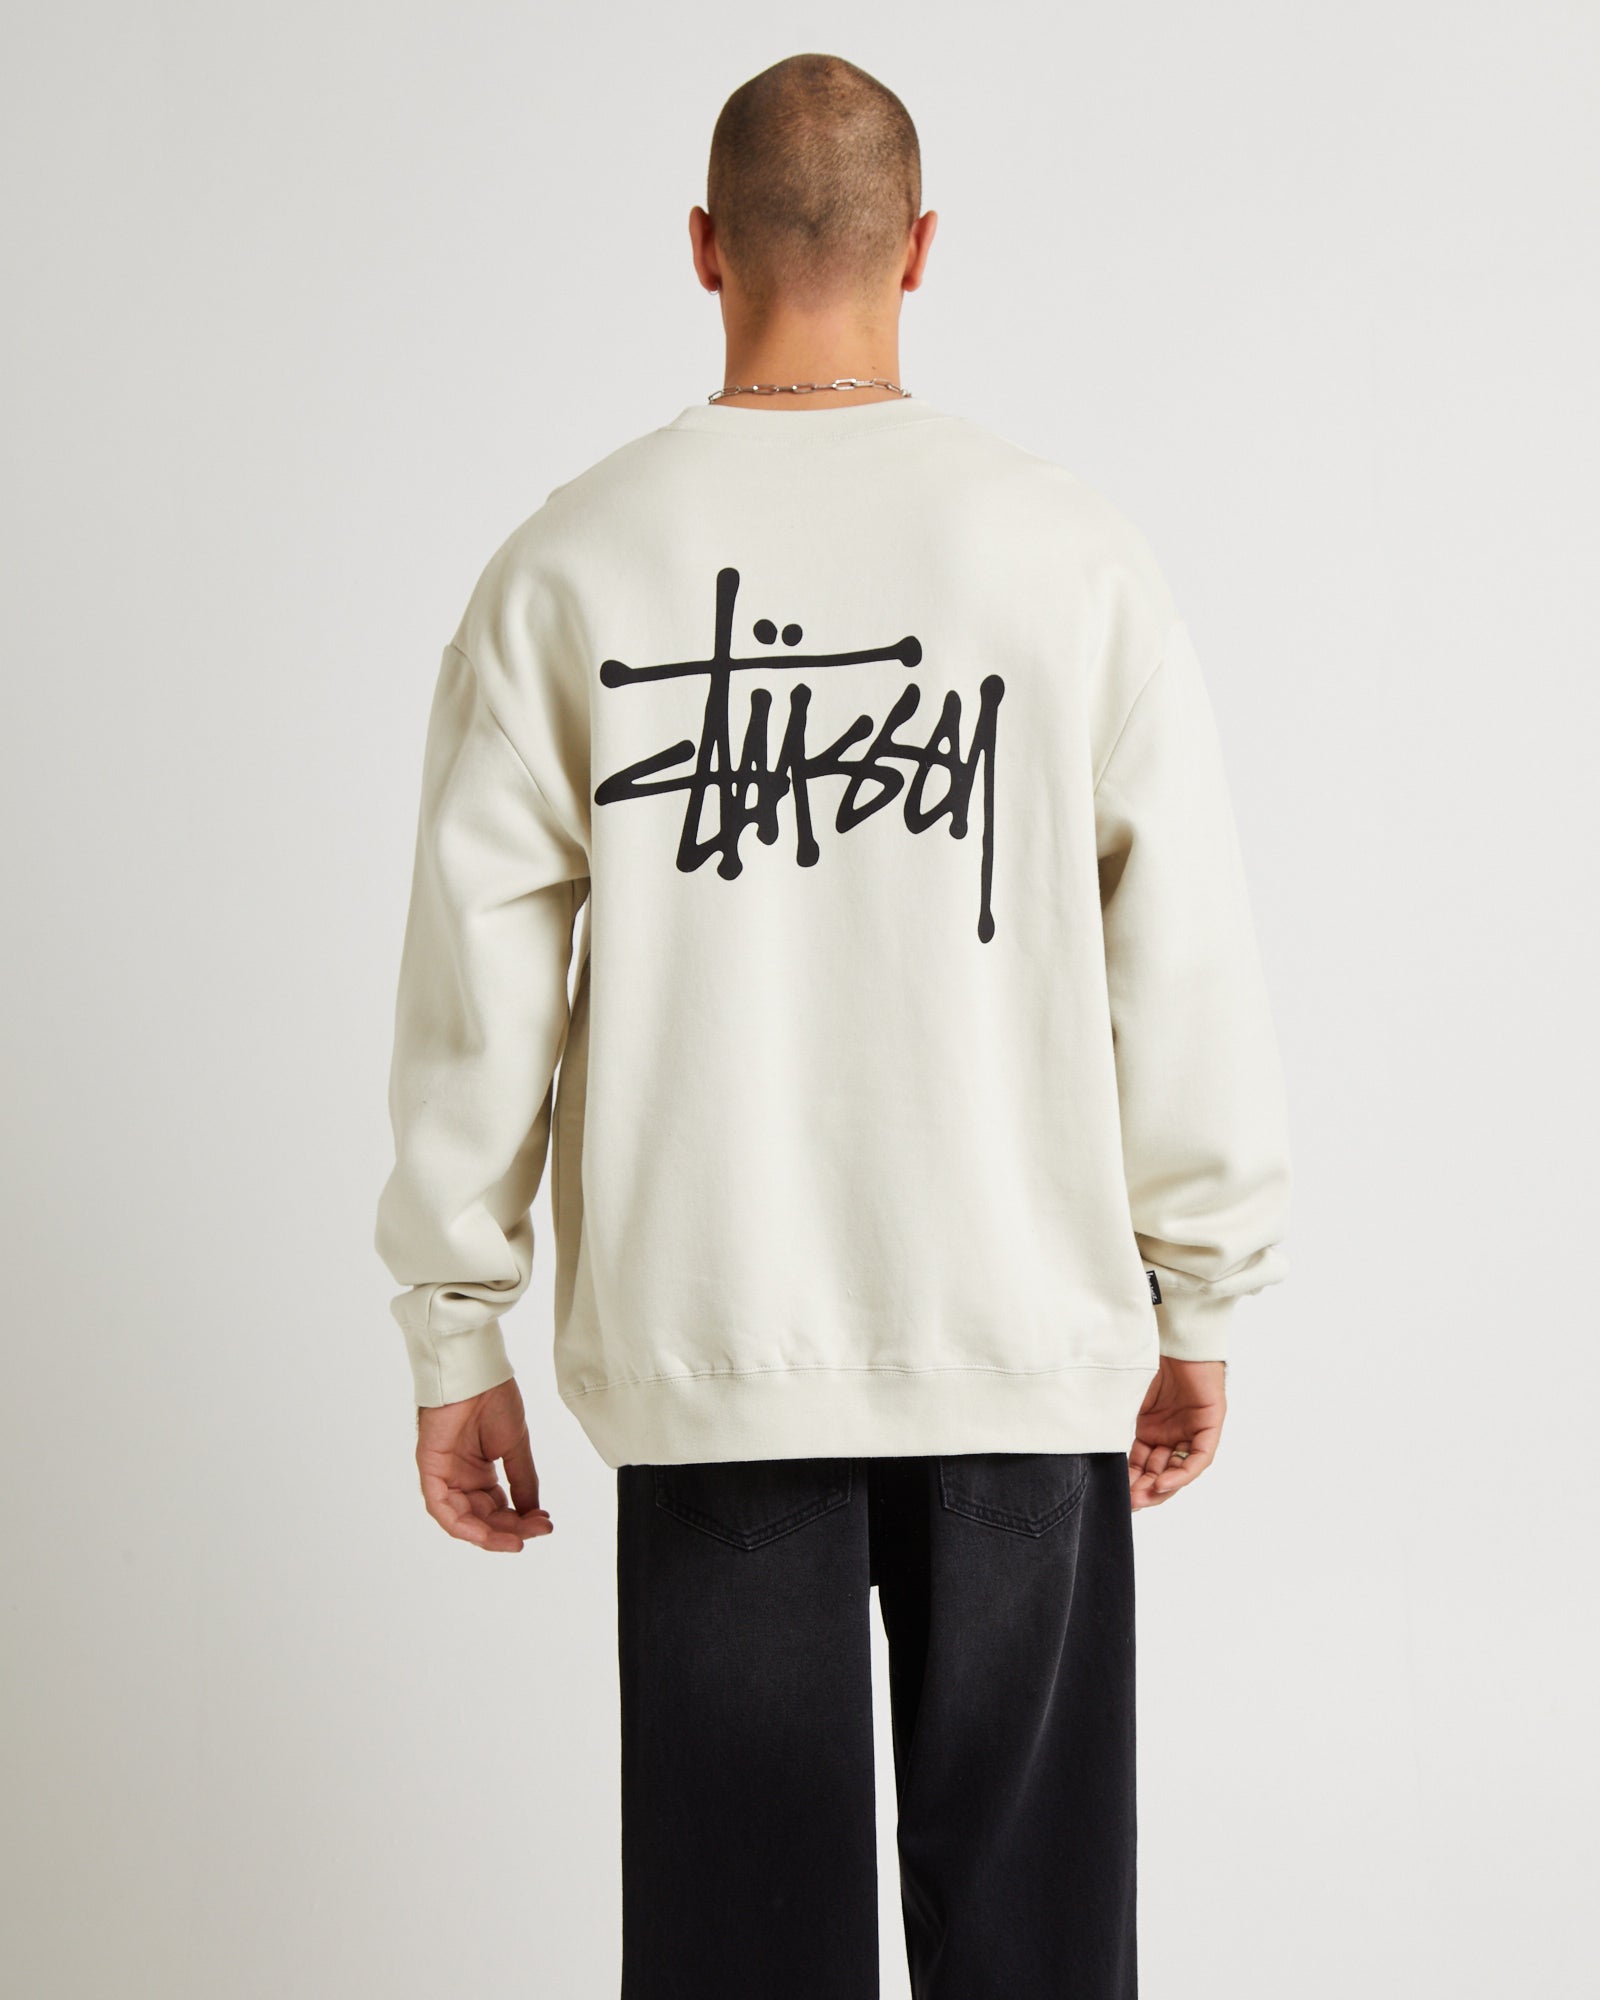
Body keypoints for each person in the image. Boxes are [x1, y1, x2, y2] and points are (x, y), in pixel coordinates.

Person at [373, 51, 1291, 2000]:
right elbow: (1185, 952)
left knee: (738, 1961)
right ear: (920, 248)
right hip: (1017, 1343)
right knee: (1038, 1955)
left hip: (718, 1352)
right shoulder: (1068, 559)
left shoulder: (572, 565)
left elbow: (478, 974)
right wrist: (1197, 1294)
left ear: (703, 248)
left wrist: (457, 1325)